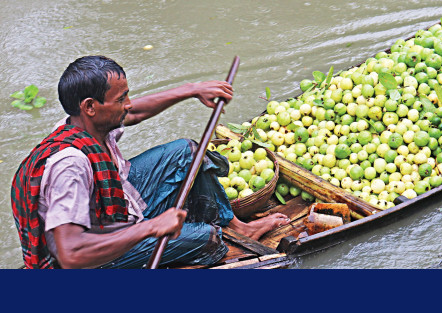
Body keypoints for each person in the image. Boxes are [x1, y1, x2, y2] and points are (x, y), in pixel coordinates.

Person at [11, 55, 289, 269]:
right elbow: (71, 254)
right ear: (90, 107)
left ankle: (238, 227)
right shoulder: (69, 167)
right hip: (91, 260)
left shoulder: (83, 124)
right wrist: (151, 227)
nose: (129, 103)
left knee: (186, 151)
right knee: (205, 238)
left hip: (114, 211)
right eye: (121, 99)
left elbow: (132, 114)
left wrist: (191, 90)